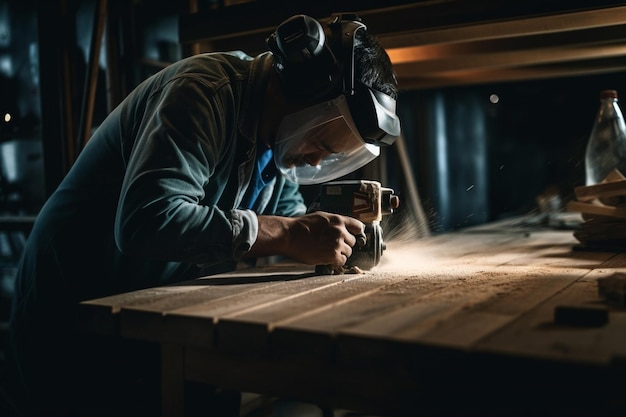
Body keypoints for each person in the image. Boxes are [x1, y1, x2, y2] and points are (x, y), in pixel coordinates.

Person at [2, 12, 400, 417]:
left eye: (329, 154)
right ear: (300, 83)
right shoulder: (202, 93)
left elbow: (288, 217)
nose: (314, 157)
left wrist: (328, 239)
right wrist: (290, 236)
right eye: (318, 139)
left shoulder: (275, 137)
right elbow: (147, 218)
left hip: (148, 317)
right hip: (73, 317)